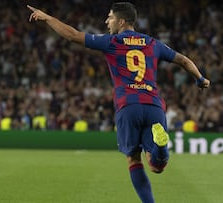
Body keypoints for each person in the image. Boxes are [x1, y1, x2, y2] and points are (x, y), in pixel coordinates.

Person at [27, 2, 210, 202]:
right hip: (154, 106)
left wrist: (47, 18)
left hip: (128, 106)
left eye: (110, 17)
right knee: (157, 166)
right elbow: (184, 60)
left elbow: (72, 35)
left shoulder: (112, 42)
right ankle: (161, 145)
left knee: (133, 159)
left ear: (121, 21)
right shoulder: (152, 43)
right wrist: (200, 79)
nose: (107, 21)